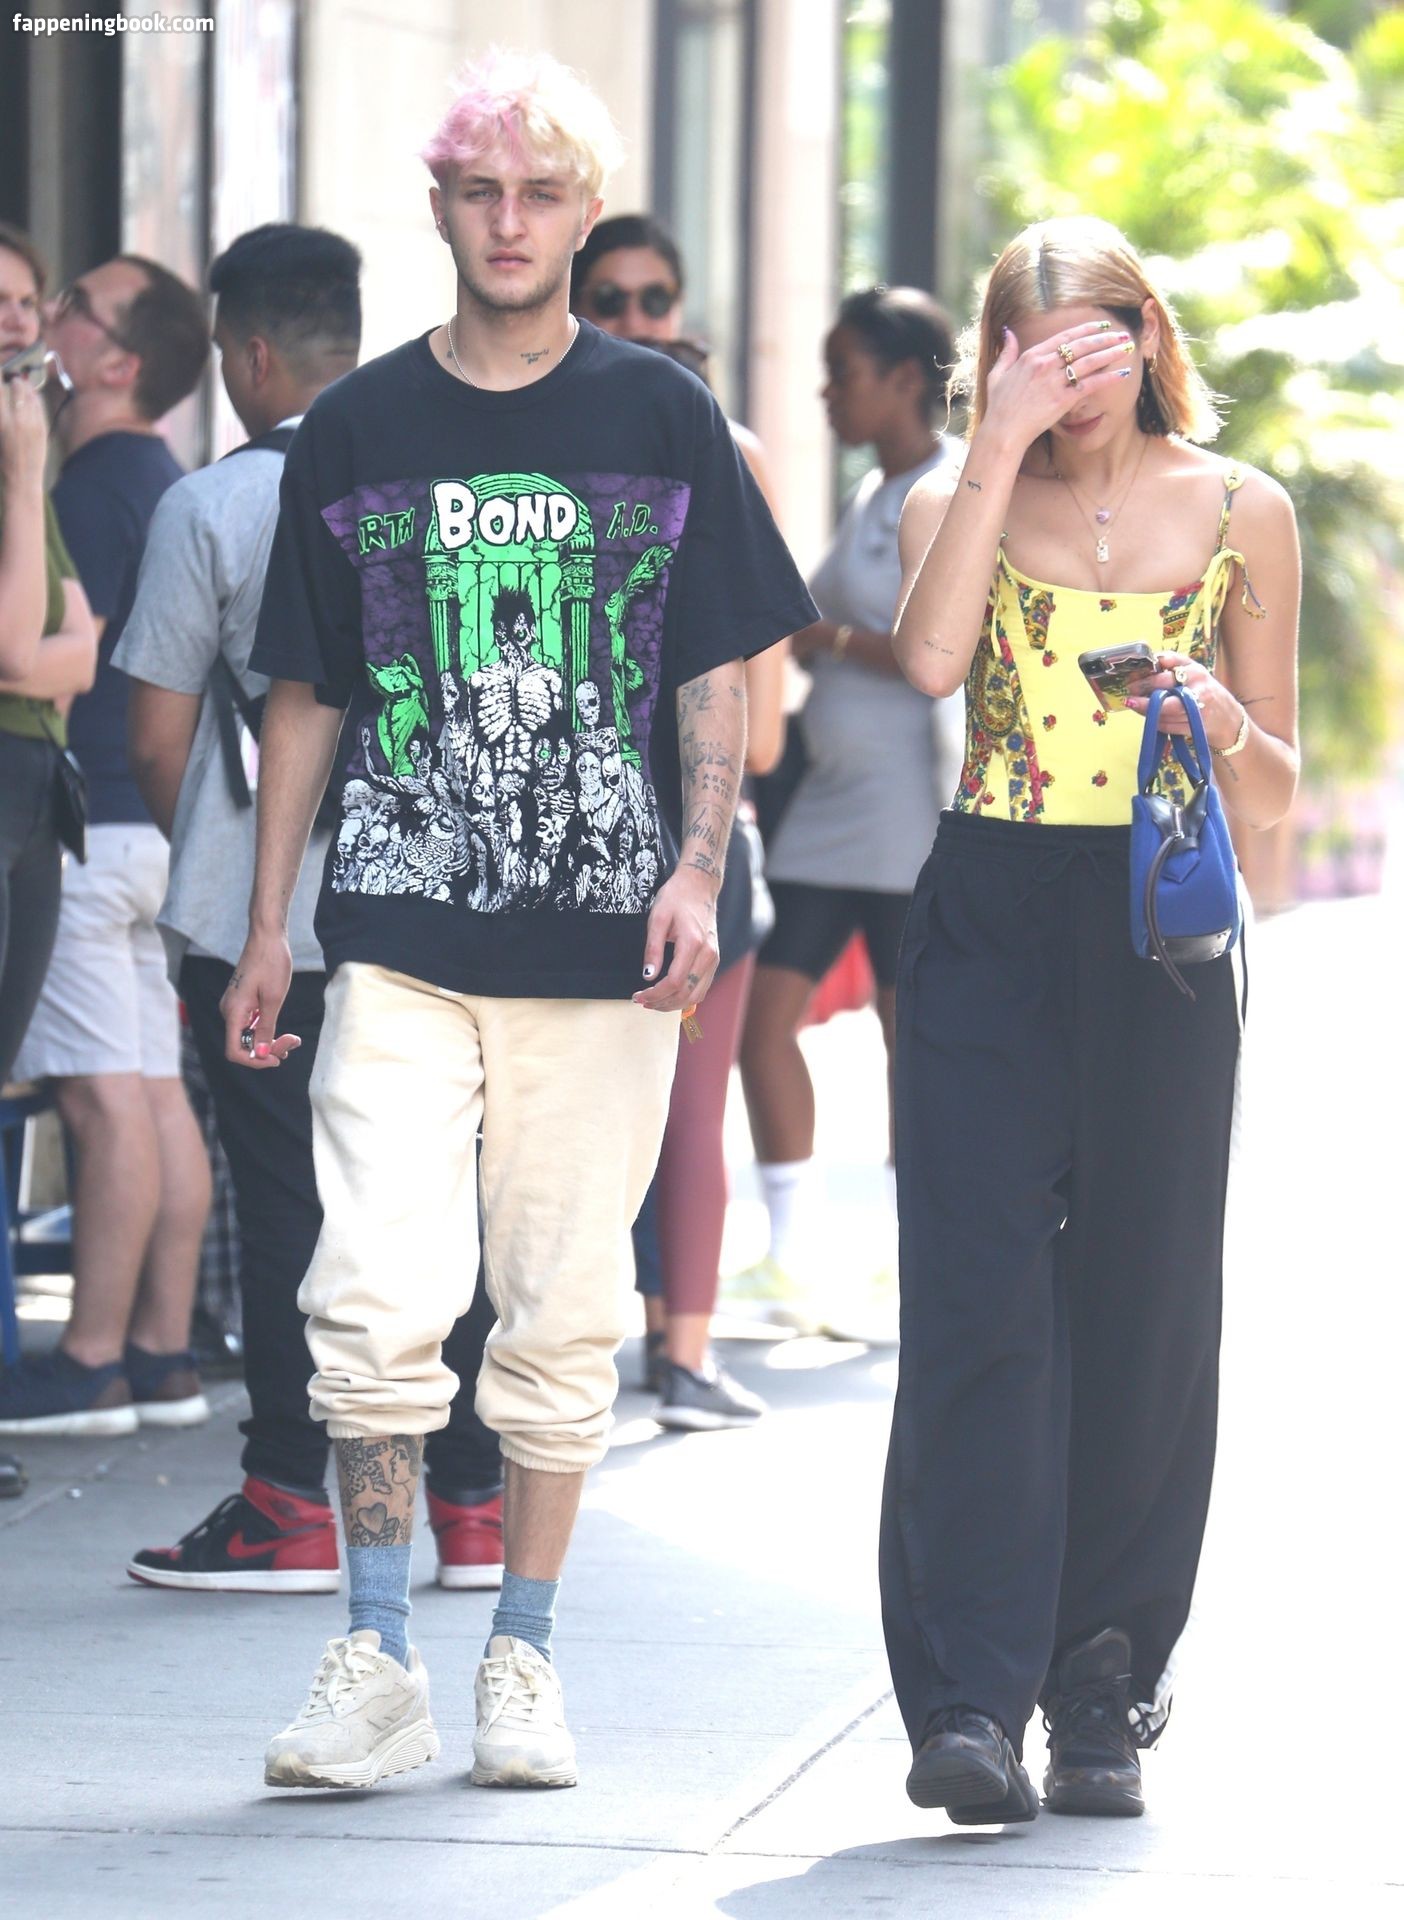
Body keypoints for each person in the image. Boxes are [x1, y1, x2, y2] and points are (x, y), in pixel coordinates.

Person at [225, 49, 814, 1794]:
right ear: (437, 208)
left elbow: (712, 667)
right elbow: (308, 692)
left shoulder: (660, 418)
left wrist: (694, 869)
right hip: (397, 932)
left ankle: (525, 1660)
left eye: (540, 194)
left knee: (560, 1312)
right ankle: (377, 1658)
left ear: (581, 211)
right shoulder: (357, 427)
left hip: (601, 949)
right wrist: (269, 926)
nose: (508, 221)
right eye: (480, 192)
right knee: (370, 1300)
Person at [881, 216, 1300, 1824]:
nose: (1077, 380)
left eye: (1100, 343)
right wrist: (994, 443)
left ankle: (1102, 1682)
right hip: (989, 905)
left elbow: (1278, 796)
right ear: (1000, 359)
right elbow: (930, 663)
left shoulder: (1245, 509)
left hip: (1161, 922)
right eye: (1042, 354)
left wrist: (1219, 716)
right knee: (975, 1294)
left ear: (1150, 334)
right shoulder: (958, 498)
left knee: (1147, 1300)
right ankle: (968, 1699)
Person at [110, 222, 505, 1592]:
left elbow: (157, 738)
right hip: (435, 902)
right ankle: (472, 1503)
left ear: (251, 355)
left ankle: (288, 1500)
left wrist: (226, 858)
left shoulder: (208, 508)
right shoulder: (439, 481)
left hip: (256, 921)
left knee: (294, 1201)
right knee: (442, 1195)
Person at [572, 229, 787, 1428]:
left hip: (687, 833)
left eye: (658, 297)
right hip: (570, 830)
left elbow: (767, 715)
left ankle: (685, 1352)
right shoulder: (544, 435)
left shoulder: (725, 449)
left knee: (687, 1110)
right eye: (612, 297)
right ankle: (626, 1351)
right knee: (583, 1118)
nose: (639, 317)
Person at [1, 254, 212, 1439]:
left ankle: (90, 1363)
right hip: (151, 826)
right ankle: (159, 1352)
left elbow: (42, 650)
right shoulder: (164, 481)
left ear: (119, 362)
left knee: (99, 1100)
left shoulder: (91, 488)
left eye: (72, 306)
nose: (49, 317)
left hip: (89, 824)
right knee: (149, 1090)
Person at [728, 286, 960, 1341]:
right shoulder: (875, 490)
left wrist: (822, 640)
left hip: (912, 816)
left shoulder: (952, 488)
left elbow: (939, 649)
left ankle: (920, 1268)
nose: (827, 393)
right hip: (828, 812)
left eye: (845, 373)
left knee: (915, 1044)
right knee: (761, 1020)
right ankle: (791, 1252)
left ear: (906, 379)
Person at [0, 223, 99, 1492]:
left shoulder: (19, 450)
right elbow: (25, 650)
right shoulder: (17, 460)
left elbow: (81, 644)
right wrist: (24, 475)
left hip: (32, 787)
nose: (16, 321)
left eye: (26, 300)